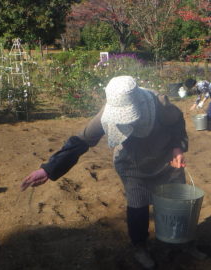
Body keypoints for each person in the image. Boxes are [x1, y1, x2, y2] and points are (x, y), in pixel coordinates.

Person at [21, 76, 196, 269]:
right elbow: (81, 141)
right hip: (132, 164)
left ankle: (182, 243)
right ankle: (140, 246)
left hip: (165, 160)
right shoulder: (106, 113)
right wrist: (48, 169)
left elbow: (177, 122)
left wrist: (177, 147)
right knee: (137, 205)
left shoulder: (159, 104)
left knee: (176, 202)